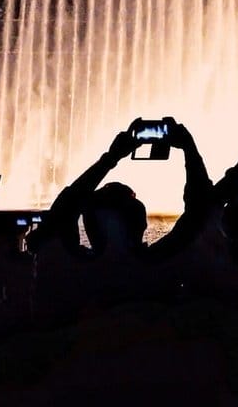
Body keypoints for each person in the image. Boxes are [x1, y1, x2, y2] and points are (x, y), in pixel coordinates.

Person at [29, 117, 213, 321]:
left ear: (88, 224)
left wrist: (111, 157)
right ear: (141, 223)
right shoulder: (161, 268)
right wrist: (189, 147)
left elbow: (62, 211)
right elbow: (200, 210)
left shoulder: (72, 271)